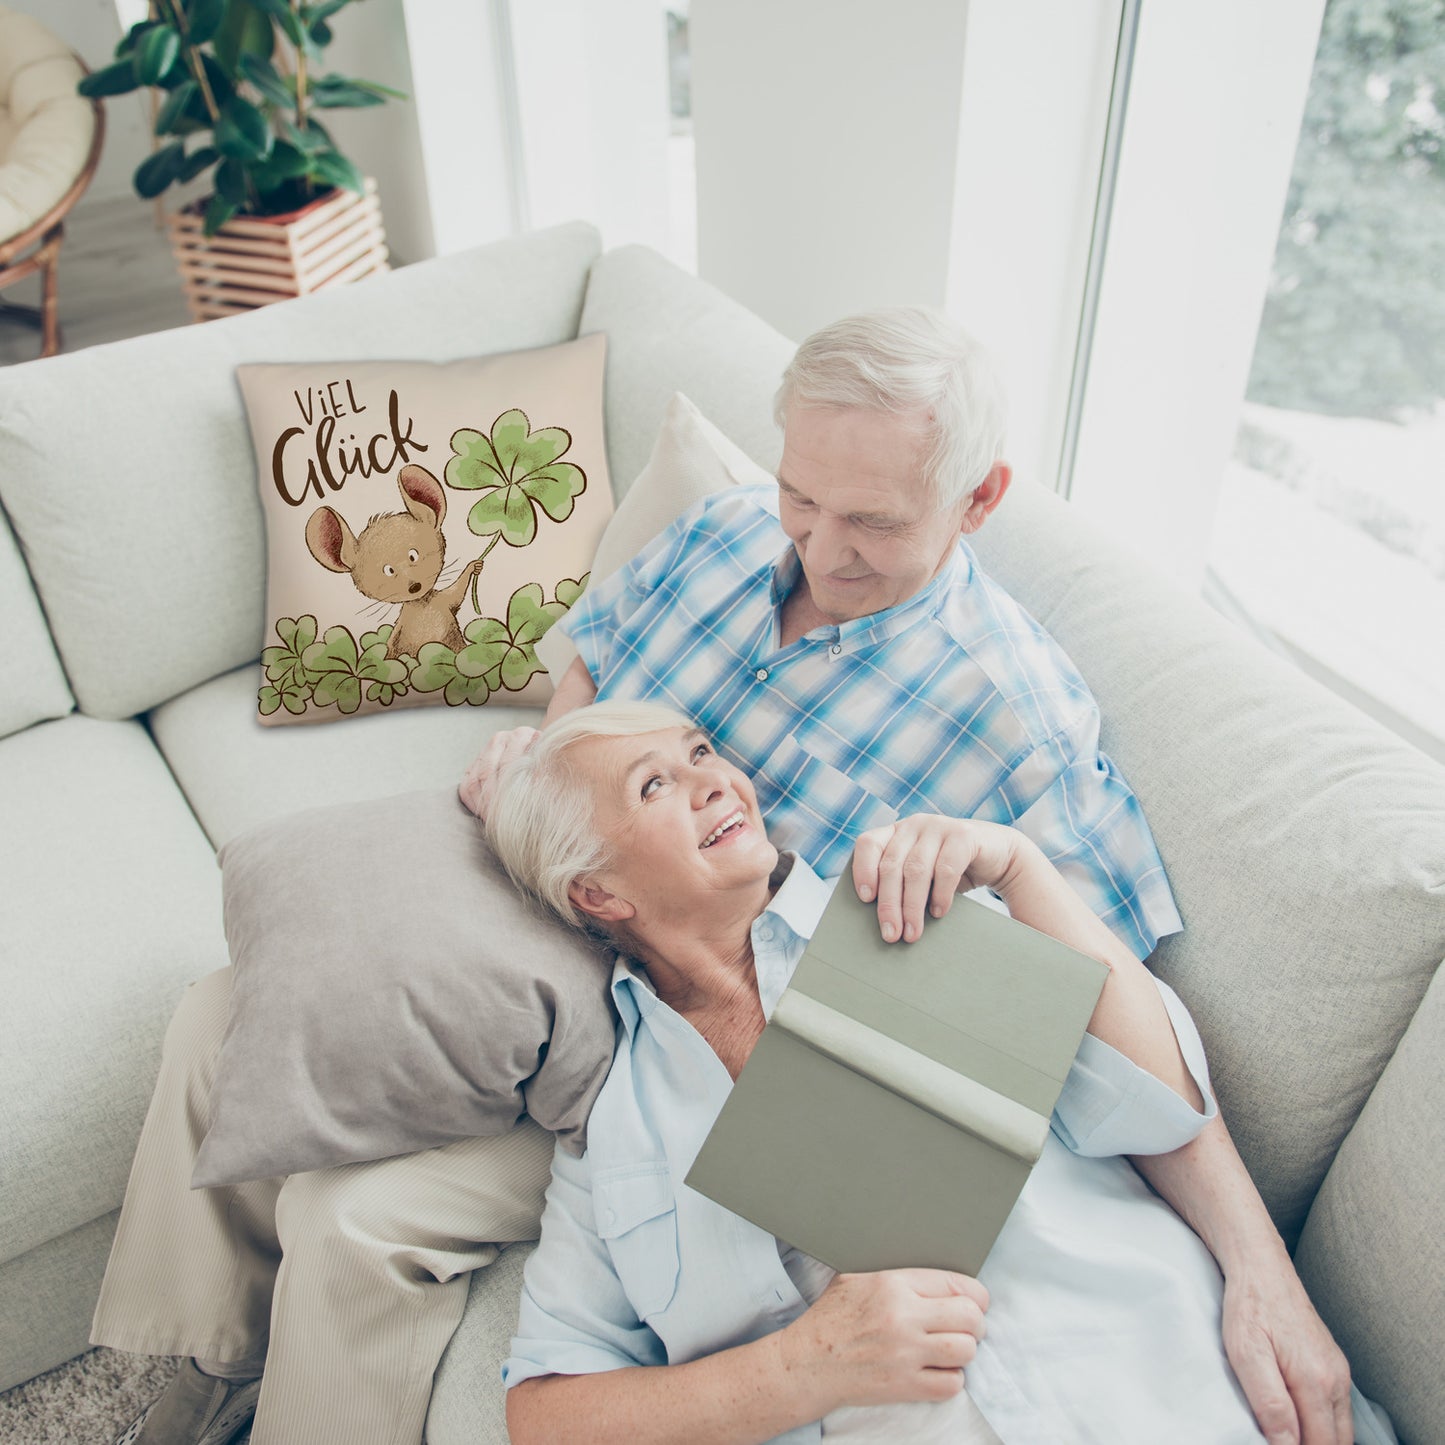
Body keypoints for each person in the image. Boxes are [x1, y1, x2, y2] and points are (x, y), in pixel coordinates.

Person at [94, 309, 1348, 1445]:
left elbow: (1103, 1020)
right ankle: (192, 1363)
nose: (818, 544)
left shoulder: (1016, 724)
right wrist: (547, 765)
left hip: (695, 1013)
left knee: (355, 1218)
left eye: (871, 520)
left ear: (976, 501)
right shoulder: (726, 532)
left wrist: (1260, 1266)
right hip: (582, 888)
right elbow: (591, 663)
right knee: (229, 1007)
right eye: (804, 495)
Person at [486, 700, 1379, 1445]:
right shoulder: (615, 1132)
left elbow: (1158, 1104)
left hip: (1172, 1389)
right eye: (655, 784)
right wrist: (800, 1367)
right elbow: (545, 1412)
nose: (714, 779)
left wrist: (1021, 869)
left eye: (700, 752)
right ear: (597, 893)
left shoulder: (908, 907)